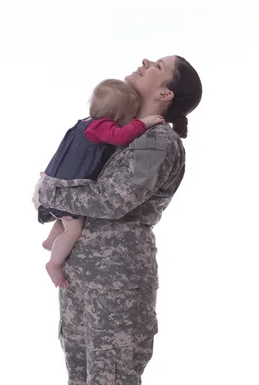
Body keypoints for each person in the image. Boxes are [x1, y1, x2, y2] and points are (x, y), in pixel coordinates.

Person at [33, 56, 202, 385]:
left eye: (158, 65)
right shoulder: (124, 129)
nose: (145, 62)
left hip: (120, 279)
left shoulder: (159, 140)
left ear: (166, 93)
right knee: (83, 382)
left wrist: (48, 187)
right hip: (82, 276)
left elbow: (111, 200)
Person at [36, 79, 165, 288]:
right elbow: (122, 136)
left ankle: (51, 241)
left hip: (56, 184)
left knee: (65, 217)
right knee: (73, 230)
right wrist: (145, 122)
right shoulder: (102, 127)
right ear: (117, 116)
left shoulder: (84, 122)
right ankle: (54, 262)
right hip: (66, 188)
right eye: (131, 116)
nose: (132, 120)